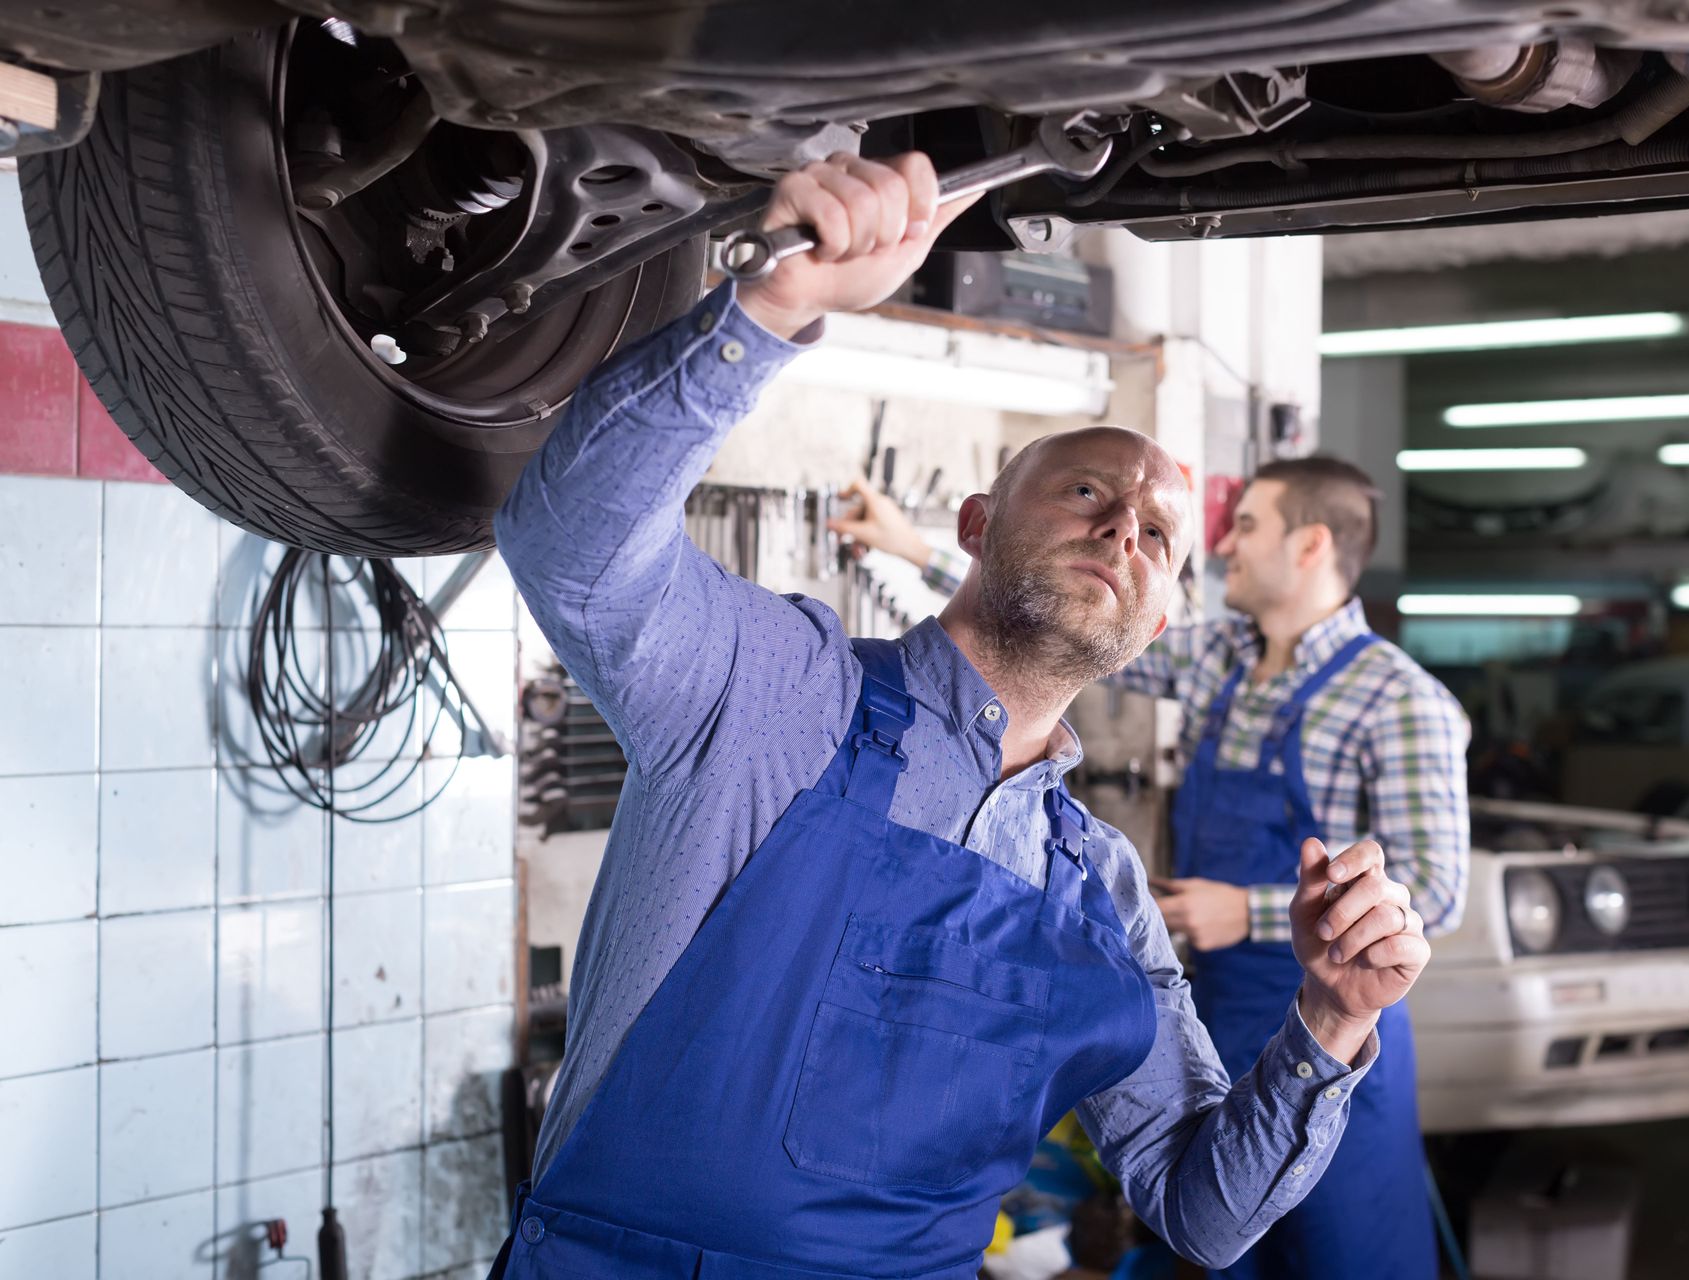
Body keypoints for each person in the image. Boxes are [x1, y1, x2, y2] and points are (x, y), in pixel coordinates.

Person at [491, 147, 1434, 1279]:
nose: (1126, 524)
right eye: (1088, 488)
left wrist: (1328, 1022)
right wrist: (775, 304)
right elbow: (570, 547)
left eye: (1161, 534)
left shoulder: (1101, 893)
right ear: (979, 523)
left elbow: (1200, 1207)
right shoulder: (779, 689)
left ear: (1162, 627)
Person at [839, 457, 1471, 1279]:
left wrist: (1245, 910)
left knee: (1345, 1261)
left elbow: (1438, 885)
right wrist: (915, 548)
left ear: (1312, 545)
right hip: (1223, 1020)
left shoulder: (1399, 698)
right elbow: (1085, 613)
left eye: (1247, 525)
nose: (1224, 543)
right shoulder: (1225, 661)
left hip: (1334, 1024)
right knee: (1217, 1241)